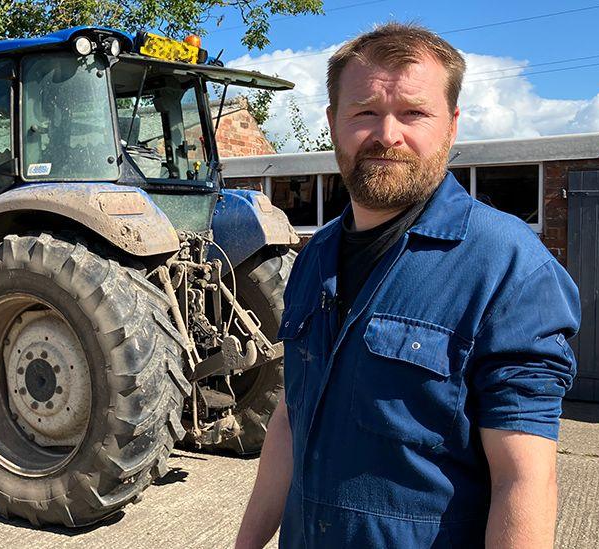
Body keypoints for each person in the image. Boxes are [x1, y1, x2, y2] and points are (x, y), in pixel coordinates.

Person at [235, 22, 580, 548]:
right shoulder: (313, 257)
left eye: (414, 113)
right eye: (365, 112)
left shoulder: (507, 266)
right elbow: (289, 418)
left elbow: (525, 478)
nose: (387, 134)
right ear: (333, 123)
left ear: (452, 125)